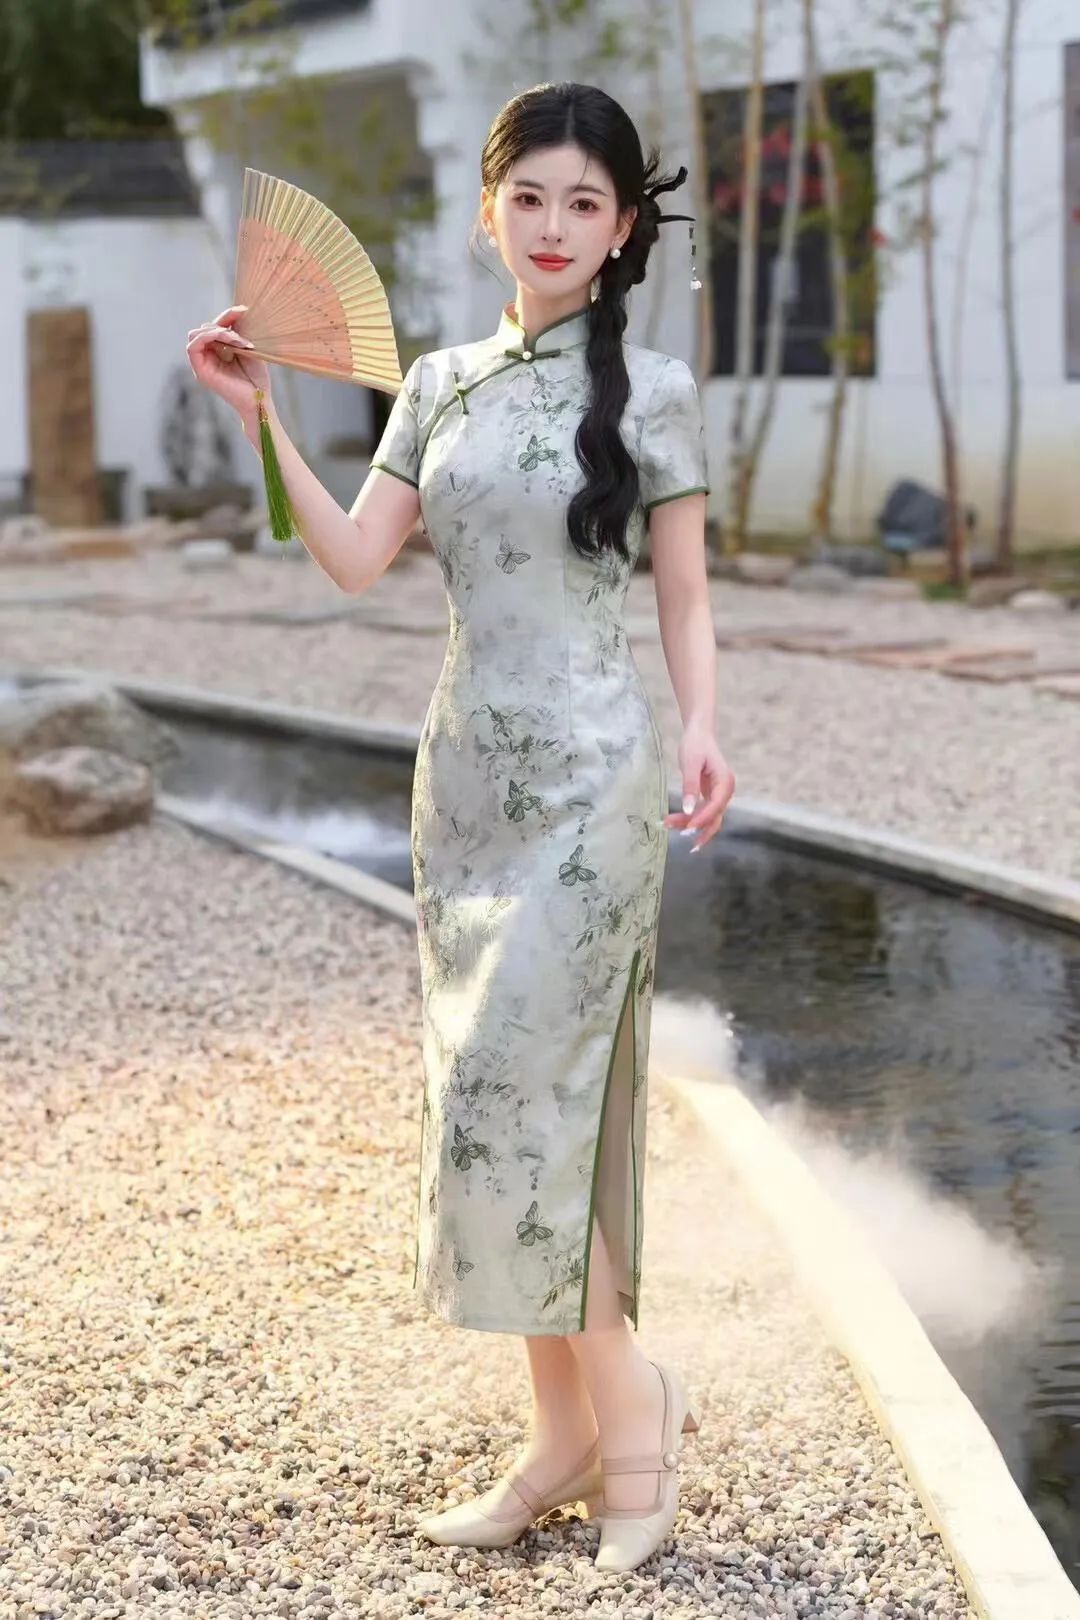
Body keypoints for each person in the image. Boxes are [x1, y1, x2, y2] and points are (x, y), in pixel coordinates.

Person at [187, 79, 735, 1574]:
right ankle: (558, 1439)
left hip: (594, 784)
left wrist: (701, 723)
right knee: (486, 1107)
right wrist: (263, 421)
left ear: (620, 231)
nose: (554, 225)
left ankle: (633, 1419)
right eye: (530, 196)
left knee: (546, 1099)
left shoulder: (656, 388)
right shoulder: (436, 384)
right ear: (490, 209)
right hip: (467, 794)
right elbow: (355, 559)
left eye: (585, 203)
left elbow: (687, 596)